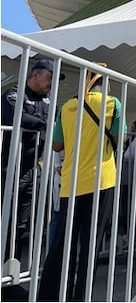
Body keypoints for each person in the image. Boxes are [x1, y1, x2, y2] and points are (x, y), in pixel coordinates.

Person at [40, 67, 123, 301]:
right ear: (104, 83)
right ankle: (81, 296)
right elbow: (119, 139)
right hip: (101, 181)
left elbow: (57, 145)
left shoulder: (67, 106)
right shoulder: (113, 103)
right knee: (91, 243)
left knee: (62, 242)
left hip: (70, 182)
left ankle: (50, 294)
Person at [1, 59, 59, 275]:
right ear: (35, 75)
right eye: (50, 77)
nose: (52, 83)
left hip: (31, 169)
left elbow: (57, 122)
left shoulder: (48, 100)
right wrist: (44, 124)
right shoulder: (14, 94)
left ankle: (9, 275)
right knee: (5, 220)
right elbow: (17, 117)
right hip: (9, 168)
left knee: (20, 225)